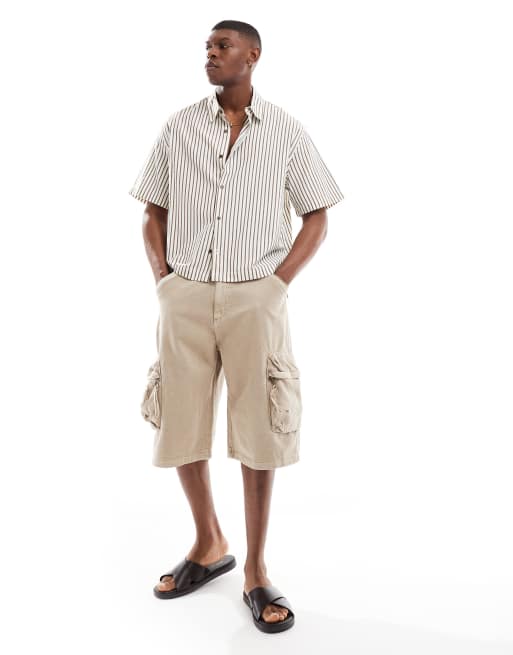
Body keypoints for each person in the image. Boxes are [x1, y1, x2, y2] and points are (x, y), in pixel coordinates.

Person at [129, 19, 344, 634]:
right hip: (186, 296)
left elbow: (317, 213)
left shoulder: (285, 131)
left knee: (259, 428)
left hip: (257, 296)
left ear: (253, 56)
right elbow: (152, 210)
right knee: (180, 421)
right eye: (207, 47)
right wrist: (164, 282)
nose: (210, 54)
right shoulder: (178, 127)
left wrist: (277, 284)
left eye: (222, 47)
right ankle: (208, 543)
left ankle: (255, 569)